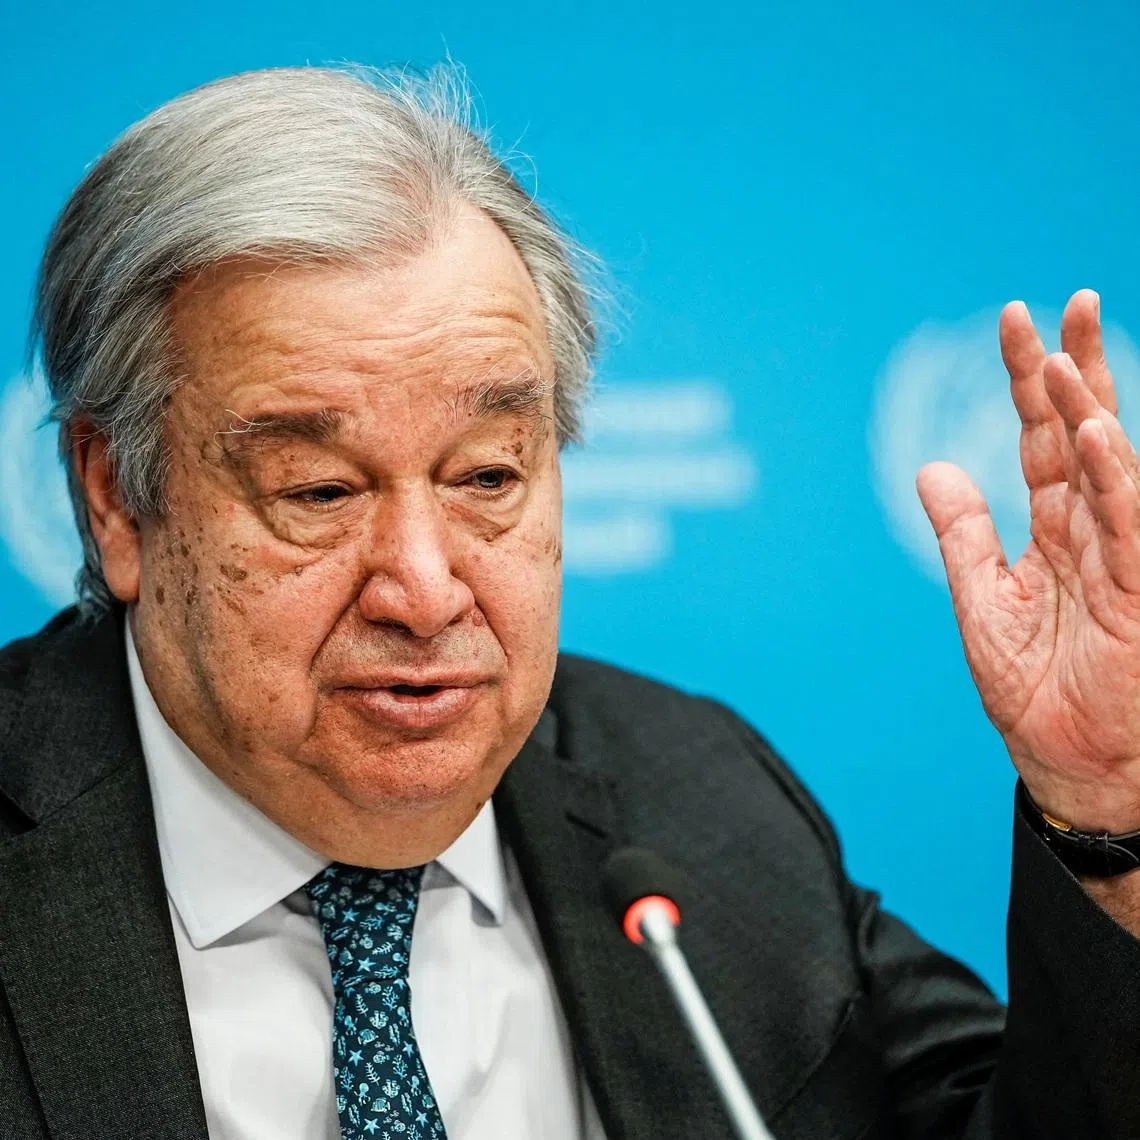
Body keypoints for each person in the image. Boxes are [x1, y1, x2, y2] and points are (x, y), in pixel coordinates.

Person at [2, 64, 1140, 1140]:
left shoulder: (697, 797)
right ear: (117, 500)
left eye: (487, 476)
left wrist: (1105, 807)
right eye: (321, 490)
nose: (425, 591)